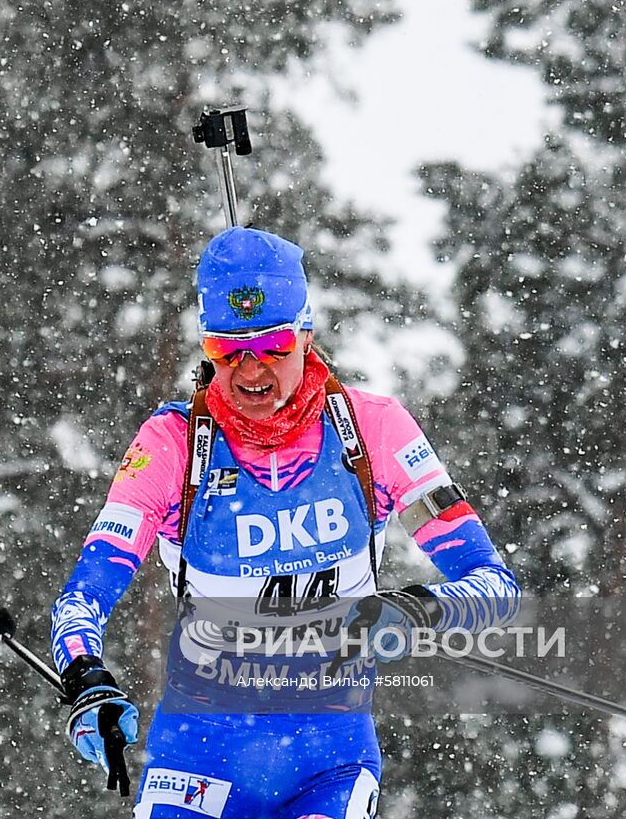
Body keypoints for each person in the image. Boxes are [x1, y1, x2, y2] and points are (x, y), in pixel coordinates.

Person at [51, 227, 520, 819]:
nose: (250, 370)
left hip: (328, 763)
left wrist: (412, 611)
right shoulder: (171, 446)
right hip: (198, 758)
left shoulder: (375, 432)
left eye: (272, 345)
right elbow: (84, 596)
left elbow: (494, 588)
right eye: (227, 350)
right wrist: (86, 678)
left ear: (305, 335)